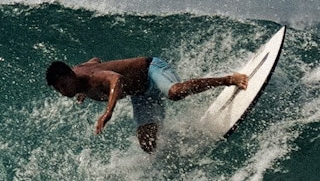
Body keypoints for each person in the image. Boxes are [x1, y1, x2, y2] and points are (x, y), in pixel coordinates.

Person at [45, 54, 248, 153]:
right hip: (141, 93)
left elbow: (116, 79)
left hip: (151, 69)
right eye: (58, 89)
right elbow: (95, 59)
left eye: (64, 85)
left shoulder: (92, 77)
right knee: (147, 144)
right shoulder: (78, 77)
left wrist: (108, 112)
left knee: (174, 92)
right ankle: (182, 147)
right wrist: (80, 91)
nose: (63, 91)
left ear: (71, 74)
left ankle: (229, 79)